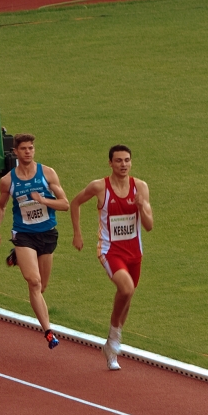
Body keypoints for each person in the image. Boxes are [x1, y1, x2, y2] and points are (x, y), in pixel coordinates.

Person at [70, 145, 153, 371]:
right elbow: (75, 203)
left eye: (127, 160)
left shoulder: (140, 187)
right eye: (118, 161)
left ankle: (111, 346)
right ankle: (115, 338)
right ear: (110, 163)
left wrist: (142, 207)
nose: (123, 165)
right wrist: (77, 233)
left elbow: (149, 226)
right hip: (109, 250)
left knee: (128, 295)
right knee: (125, 289)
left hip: (135, 252)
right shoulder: (100, 187)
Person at [0, 133, 69, 351]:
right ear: (15, 152)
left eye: (31, 148)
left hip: (47, 233)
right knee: (33, 282)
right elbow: (2, 206)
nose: (28, 152)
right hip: (23, 234)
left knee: (42, 286)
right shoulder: (8, 181)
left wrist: (43, 199)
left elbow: (65, 204)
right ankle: (48, 332)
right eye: (23, 148)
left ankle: (18, 257)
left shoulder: (47, 173)